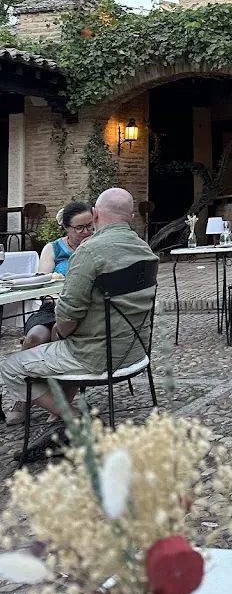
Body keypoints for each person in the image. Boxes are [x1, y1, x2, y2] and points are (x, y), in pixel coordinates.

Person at [0, 188, 156, 451]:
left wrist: (61, 333)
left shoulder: (89, 252)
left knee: (11, 367)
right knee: (52, 350)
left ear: (95, 214)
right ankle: (59, 420)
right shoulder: (145, 249)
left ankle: (77, 419)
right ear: (130, 216)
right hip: (135, 353)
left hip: (94, 356)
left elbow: (68, 316)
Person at [3, 202, 96, 424]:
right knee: (35, 338)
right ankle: (23, 399)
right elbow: (42, 281)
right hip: (50, 306)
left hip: (80, 309)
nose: (86, 232)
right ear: (66, 227)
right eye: (80, 228)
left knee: (65, 338)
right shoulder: (52, 248)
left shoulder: (95, 247)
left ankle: (60, 405)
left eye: (90, 226)